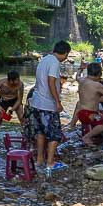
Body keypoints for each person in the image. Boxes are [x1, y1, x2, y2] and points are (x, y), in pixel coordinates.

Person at [26, 40, 70, 176]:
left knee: (40, 132)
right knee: (54, 134)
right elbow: (51, 82)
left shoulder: (44, 60)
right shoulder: (55, 63)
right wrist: (57, 101)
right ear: (65, 53)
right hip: (47, 104)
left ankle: (39, 160)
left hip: (36, 103)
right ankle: (50, 163)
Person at [67, 62, 103, 145]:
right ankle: (87, 136)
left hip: (80, 114)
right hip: (90, 115)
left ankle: (72, 125)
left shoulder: (82, 80)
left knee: (79, 103)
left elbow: (77, 77)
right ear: (99, 74)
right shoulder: (97, 85)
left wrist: (80, 68)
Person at [0, 70, 25, 137]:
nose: (17, 82)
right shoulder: (0, 83)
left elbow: (20, 99)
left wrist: (11, 110)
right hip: (3, 100)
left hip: (15, 100)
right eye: (15, 80)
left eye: (18, 79)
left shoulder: (20, 84)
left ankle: (28, 137)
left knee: (22, 118)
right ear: (10, 80)